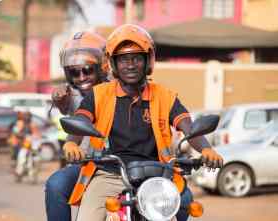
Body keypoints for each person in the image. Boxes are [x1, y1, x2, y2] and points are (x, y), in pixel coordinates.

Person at [63, 24, 224, 221]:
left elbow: (188, 127)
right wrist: (71, 143)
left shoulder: (165, 96)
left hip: (156, 176)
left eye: (136, 58)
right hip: (110, 174)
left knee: (175, 215)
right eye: (123, 59)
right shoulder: (99, 94)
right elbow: (81, 120)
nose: (130, 65)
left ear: (148, 61)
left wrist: (206, 149)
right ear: (113, 64)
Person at [45, 31, 109, 221]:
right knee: (55, 185)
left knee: (179, 199)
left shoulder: (118, 88)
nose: (81, 77)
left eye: (88, 69)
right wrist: (58, 98)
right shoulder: (73, 95)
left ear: (103, 66)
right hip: (88, 165)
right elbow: (63, 103)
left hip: (126, 163)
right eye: (74, 72)